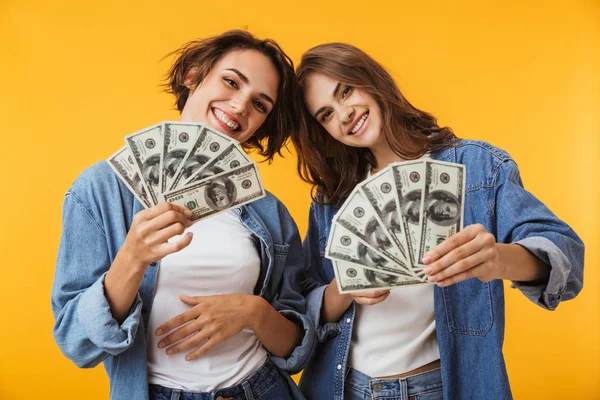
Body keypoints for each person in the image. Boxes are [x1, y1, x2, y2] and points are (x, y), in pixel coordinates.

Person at [292, 42, 584, 400]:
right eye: (326, 114)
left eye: (346, 91)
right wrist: (342, 290)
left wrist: (497, 259)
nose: (344, 114)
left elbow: (567, 259)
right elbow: (302, 301)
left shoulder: (477, 167)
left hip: (441, 387)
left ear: (371, 80)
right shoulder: (332, 199)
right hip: (343, 388)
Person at [51, 30, 314, 400]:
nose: (240, 106)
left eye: (260, 104)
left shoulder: (269, 212)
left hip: (262, 389)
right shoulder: (100, 191)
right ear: (192, 75)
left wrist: (254, 312)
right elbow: (75, 343)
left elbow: (295, 348)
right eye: (231, 82)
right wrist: (132, 258)